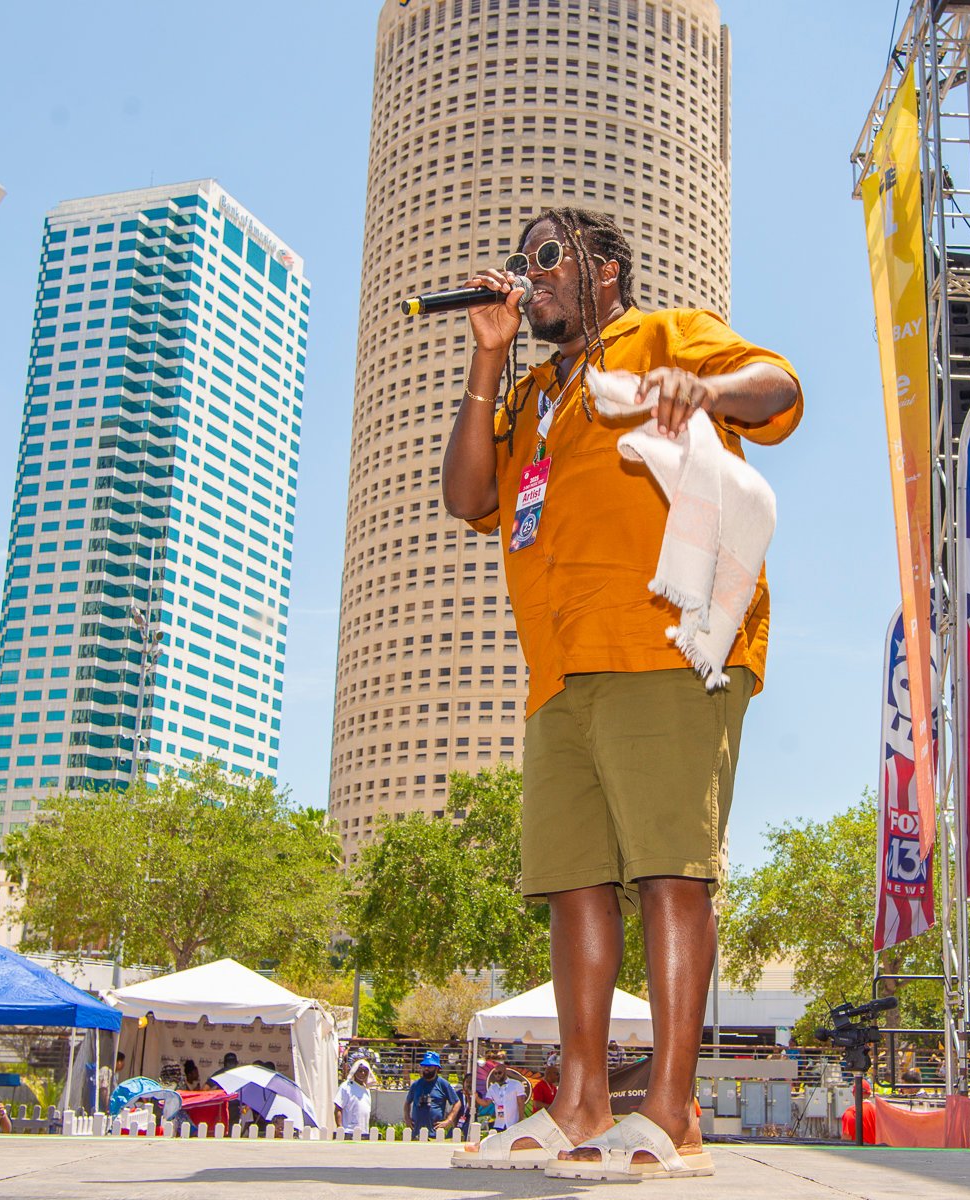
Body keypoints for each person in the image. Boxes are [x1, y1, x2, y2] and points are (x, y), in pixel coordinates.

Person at [442, 207, 800, 1177]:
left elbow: (779, 389)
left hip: (664, 641)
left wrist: (702, 386)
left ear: (604, 268)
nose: (530, 275)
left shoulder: (664, 334)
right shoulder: (530, 395)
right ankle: (581, 1105)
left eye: (547, 256)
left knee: (670, 872)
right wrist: (488, 355)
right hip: (558, 669)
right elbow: (470, 497)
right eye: (521, 262)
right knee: (573, 885)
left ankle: (673, 1114)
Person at [404, 1050, 462, 1137]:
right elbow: (407, 1103)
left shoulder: (443, 1084)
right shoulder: (416, 1084)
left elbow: (457, 1103)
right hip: (416, 1134)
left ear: (437, 1068)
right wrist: (407, 1118)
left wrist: (449, 1120)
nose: (426, 1069)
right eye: (424, 1066)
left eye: (430, 1066)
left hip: (435, 1134)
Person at [338, 1058, 376, 1136]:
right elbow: (338, 1109)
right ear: (355, 1071)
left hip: (364, 1133)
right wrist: (340, 1128)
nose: (362, 1073)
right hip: (348, 1132)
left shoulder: (366, 1090)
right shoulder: (346, 1086)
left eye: (365, 1071)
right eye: (360, 1071)